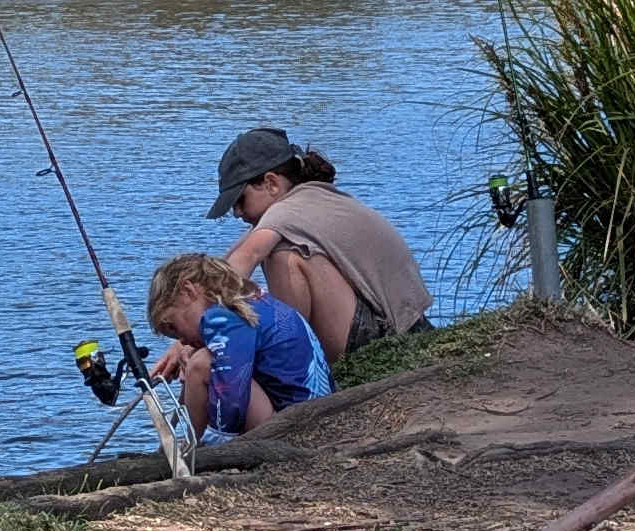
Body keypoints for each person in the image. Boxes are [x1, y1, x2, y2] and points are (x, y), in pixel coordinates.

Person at [207, 128, 432, 370]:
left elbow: (247, 256)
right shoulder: (303, 203)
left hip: (393, 340)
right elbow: (231, 258)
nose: (237, 213)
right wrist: (187, 340)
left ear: (271, 183)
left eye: (240, 200)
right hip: (401, 329)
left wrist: (205, 328)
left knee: (283, 256)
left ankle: (290, 372)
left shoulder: (287, 212)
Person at [145, 251, 330, 438]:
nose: (181, 341)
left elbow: (232, 390)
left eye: (173, 327)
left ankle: (196, 446)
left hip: (293, 425)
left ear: (188, 291)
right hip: (309, 413)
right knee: (200, 356)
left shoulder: (221, 318)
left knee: (202, 364)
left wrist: (217, 440)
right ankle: (193, 440)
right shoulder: (247, 301)